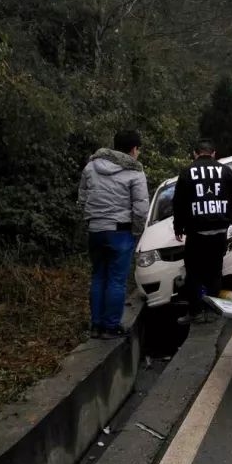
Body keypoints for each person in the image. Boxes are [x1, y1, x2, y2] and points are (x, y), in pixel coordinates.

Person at [79, 130, 149, 339]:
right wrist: (137, 231)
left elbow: (83, 196)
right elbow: (141, 208)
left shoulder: (91, 166)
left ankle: (96, 325)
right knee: (116, 280)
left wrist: (93, 218)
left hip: (96, 230)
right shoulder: (134, 171)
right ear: (134, 149)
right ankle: (110, 326)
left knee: (99, 276)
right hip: (120, 231)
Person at [173, 139, 232, 324]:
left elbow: (179, 202)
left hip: (196, 234)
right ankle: (213, 312)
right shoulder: (224, 170)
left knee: (194, 273)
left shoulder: (187, 172)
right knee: (214, 273)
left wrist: (178, 226)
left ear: (195, 154)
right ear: (213, 153)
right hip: (219, 231)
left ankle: (195, 312)